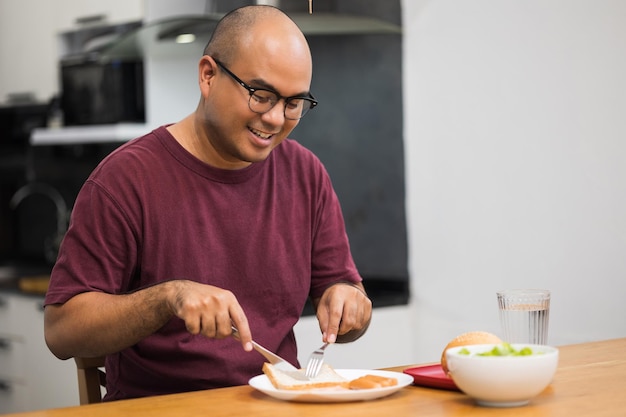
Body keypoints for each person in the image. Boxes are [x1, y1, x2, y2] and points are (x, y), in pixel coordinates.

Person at [43, 5, 372, 401]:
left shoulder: (305, 174)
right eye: (261, 95)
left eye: (294, 103)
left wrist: (351, 303)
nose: (275, 118)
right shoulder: (125, 179)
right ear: (208, 75)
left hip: (277, 406)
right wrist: (168, 298)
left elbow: (346, 303)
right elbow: (61, 333)